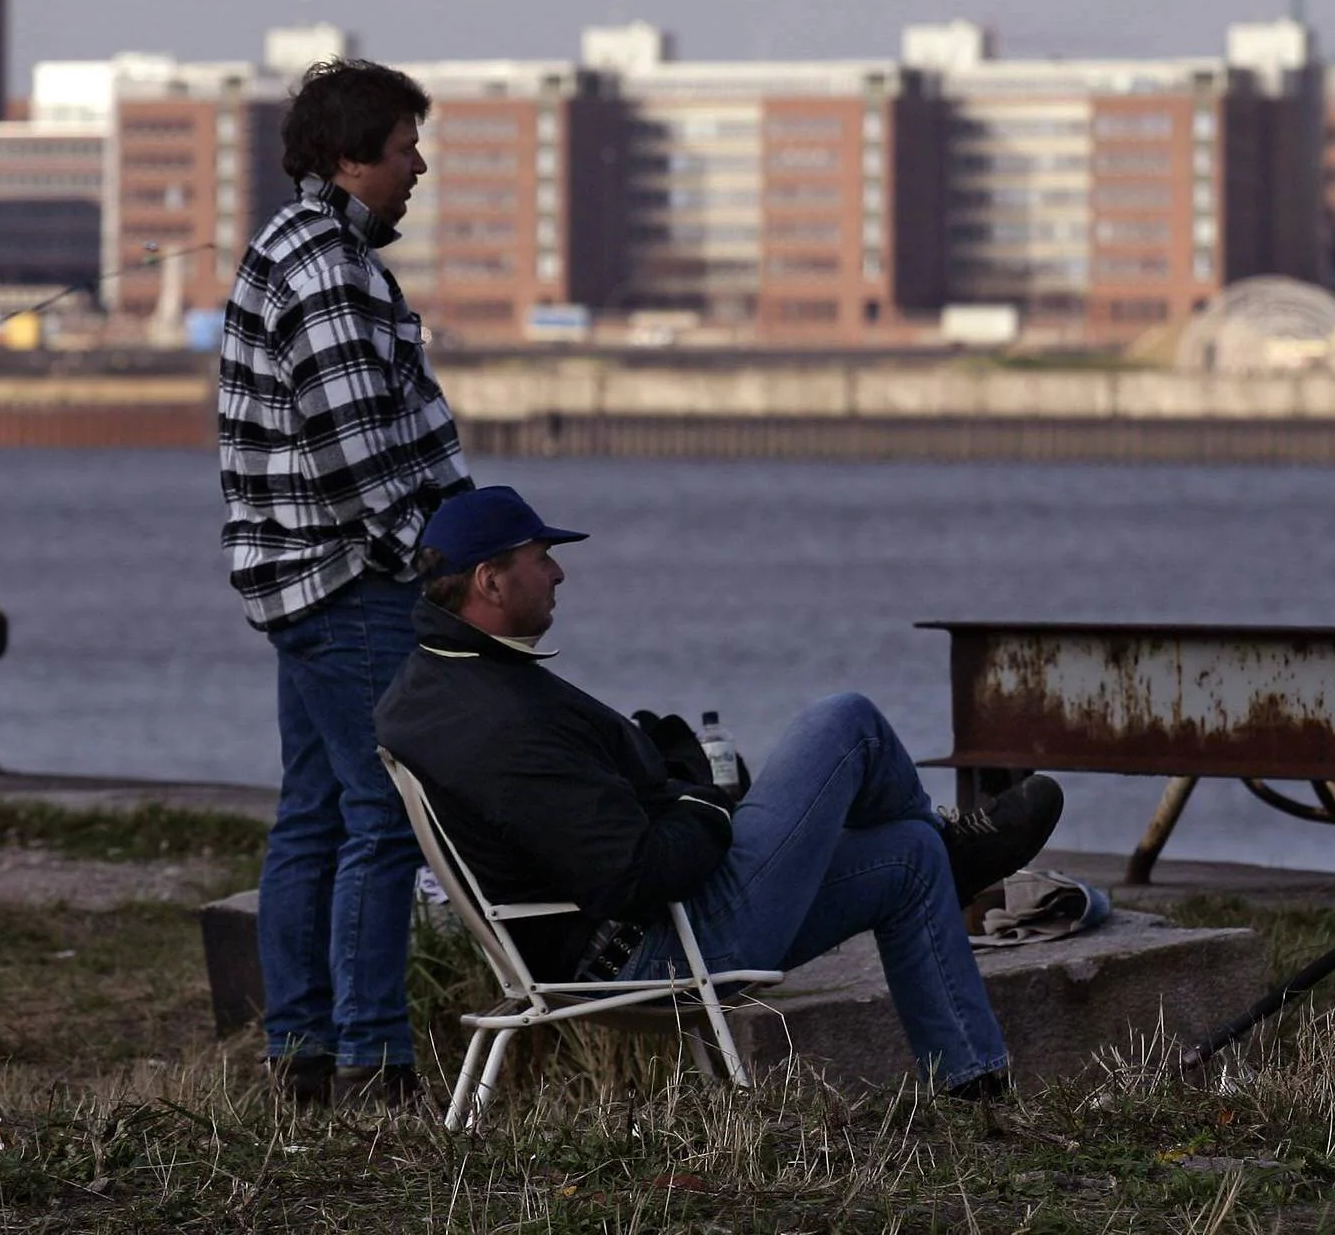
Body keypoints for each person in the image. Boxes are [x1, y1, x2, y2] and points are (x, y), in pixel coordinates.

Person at [375, 485, 1063, 1096]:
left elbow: (583, 819)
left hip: (630, 939)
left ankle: (973, 1086)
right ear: (491, 582)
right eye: (540, 557)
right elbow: (632, 874)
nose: (559, 571)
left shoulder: (435, 685)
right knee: (844, 721)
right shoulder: (503, 721)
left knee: (909, 856)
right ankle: (961, 856)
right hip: (661, 950)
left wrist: (660, 780)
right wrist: (703, 800)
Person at [220, 58, 474, 1108]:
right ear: (348, 157)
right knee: (381, 819)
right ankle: (374, 1058)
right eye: (405, 144)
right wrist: (442, 556)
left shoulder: (307, 249)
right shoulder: (324, 264)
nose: (419, 163)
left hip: (305, 583)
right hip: (349, 582)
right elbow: (355, 447)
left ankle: (303, 1053)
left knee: (315, 816)